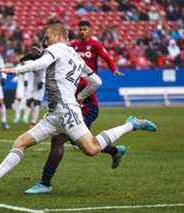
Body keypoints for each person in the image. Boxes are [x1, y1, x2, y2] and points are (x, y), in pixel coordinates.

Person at [0, 24, 157, 191]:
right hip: (55, 114)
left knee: (91, 149)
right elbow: (96, 81)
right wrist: (80, 97)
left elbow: (42, 63)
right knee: (21, 142)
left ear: (57, 35)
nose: (45, 40)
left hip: (66, 112)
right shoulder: (75, 56)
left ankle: (131, 124)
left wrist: (14, 70)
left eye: (47, 36)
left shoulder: (57, 48)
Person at [25, 20, 126, 194]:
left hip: (86, 104)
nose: (81, 31)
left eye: (84, 29)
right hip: (70, 100)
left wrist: (113, 69)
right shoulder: (71, 47)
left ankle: (45, 182)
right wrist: (40, 55)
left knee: (66, 141)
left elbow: (106, 57)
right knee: (75, 142)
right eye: (79, 29)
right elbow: (53, 56)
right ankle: (114, 150)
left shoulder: (94, 44)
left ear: (90, 30)